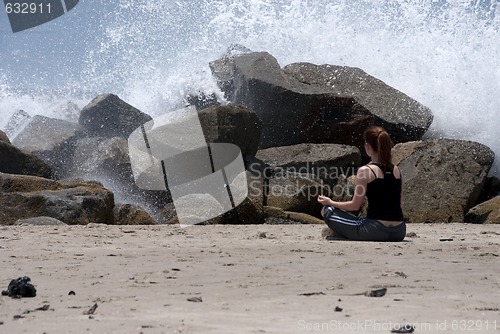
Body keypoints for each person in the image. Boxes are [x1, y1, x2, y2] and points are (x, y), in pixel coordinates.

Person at [317, 126, 406, 241]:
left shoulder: (365, 171)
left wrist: (331, 202)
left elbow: (355, 206)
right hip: (399, 231)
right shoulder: (397, 170)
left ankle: (340, 231)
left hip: (376, 230)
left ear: (367, 147)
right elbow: (398, 205)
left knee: (327, 210)